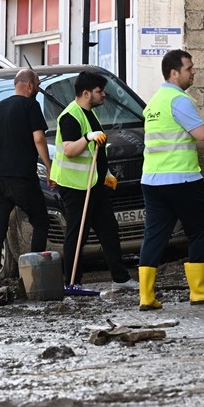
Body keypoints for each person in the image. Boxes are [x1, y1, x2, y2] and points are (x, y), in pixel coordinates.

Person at [137, 49, 204, 310]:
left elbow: (178, 139)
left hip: (153, 181)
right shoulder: (179, 99)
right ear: (174, 72)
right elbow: (200, 132)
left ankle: (146, 296)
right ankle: (200, 290)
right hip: (183, 179)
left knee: (154, 236)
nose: (194, 73)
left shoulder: (154, 102)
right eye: (189, 69)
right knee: (200, 228)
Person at [50, 70, 136, 291]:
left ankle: (120, 278)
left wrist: (105, 173)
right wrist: (87, 137)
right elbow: (69, 150)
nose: (104, 95)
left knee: (109, 229)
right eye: (100, 91)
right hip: (76, 186)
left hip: (93, 184)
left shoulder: (90, 114)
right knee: (77, 234)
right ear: (86, 93)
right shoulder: (71, 116)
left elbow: (95, 151)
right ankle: (72, 282)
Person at [0, 68, 52, 291]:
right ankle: (30, 278)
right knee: (40, 221)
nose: (38, 89)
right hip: (22, 179)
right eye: (38, 84)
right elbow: (39, 138)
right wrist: (49, 168)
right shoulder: (31, 106)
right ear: (30, 85)